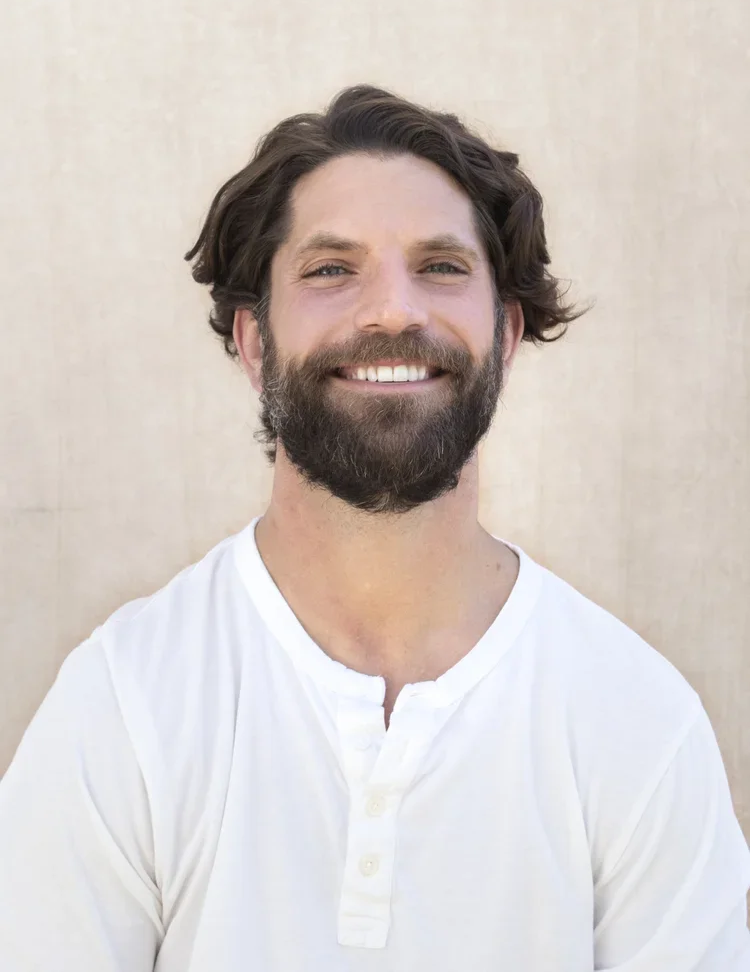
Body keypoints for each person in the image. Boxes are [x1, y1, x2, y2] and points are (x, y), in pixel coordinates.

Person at [0, 84, 748, 971]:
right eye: (330, 269)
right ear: (253, 341)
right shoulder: (124, 705)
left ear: (507, 336)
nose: (394, 310)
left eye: (441, 266)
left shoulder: (639, 721)